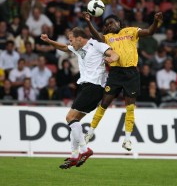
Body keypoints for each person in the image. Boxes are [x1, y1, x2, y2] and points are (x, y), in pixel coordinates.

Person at [82, 11, 163, 151]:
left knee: (130, 107)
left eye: (111, 22)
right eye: (106, 25)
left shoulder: (130, 31)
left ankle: (127, 140)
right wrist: (89, 22)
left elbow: (149, 31)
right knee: (104, 104)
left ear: (119, 22)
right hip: (115, 73)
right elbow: (97, 35)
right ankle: (89, 133)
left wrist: (155, 21)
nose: (109, 26)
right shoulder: (108, 37)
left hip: (131, 73)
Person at [40, 27, 119, 169]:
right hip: (87, 88)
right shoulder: (78, 48)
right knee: (75, 121)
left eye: (71, 39)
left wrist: (110, 59)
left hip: (94, 87)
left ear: (79, 38)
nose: (70, 42)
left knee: (70, 118)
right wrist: (49, 41)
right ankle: (74, 156)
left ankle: (84, 150)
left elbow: (114, 54)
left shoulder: (96, 45)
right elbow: (64, 47)